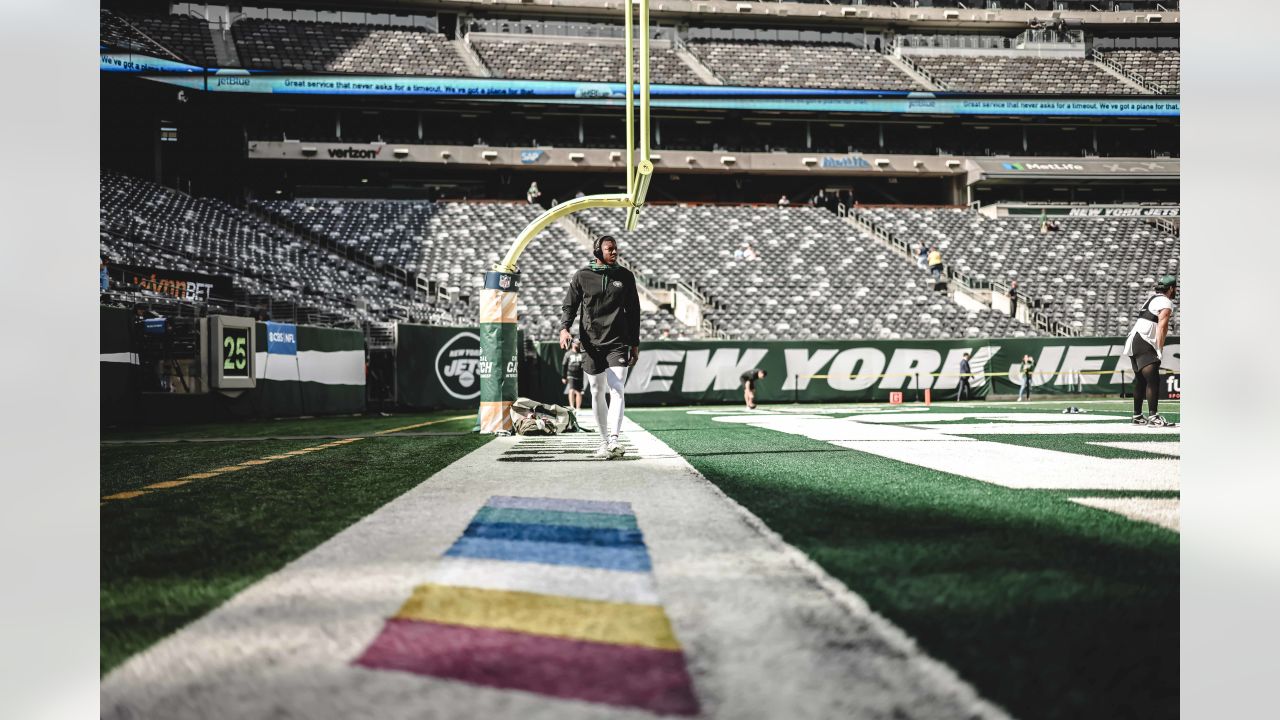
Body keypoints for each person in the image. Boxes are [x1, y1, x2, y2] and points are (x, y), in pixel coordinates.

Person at [559, 235, 641, 459]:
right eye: (609, 249)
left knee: (617, 388)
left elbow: (634, 312)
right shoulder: (582, 276)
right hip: (590, 342)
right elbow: (570, 306)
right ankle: (604, 441)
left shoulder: (625, 276)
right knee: (596, 390)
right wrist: (564, 328)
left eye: (616, 249)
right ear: (598, 251)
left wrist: (634, 343)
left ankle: (614, 440)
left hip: (617, 341)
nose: (615, 252)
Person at [1123, 275, 1177, 427]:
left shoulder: (1152, 298)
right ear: (1172, 288)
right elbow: (1162, 326)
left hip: (1134, 339)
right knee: (1153, 380)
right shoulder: (1166, 302)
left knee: (1141, 380)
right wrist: (1159, 348)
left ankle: (1138, 416)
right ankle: (1153, 417)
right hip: (1144, 340)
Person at [561, 339, 586, 411]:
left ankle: (578, 408)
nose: (577, 344)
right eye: (576, 343)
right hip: (571, 374)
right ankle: (572, 406)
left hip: (580, 375)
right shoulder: (568, 353)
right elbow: (564, 365)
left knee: (579, 391)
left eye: (579, 343)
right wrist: (564, 377)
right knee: (571, 389)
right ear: (572, 344)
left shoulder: (582, 353)